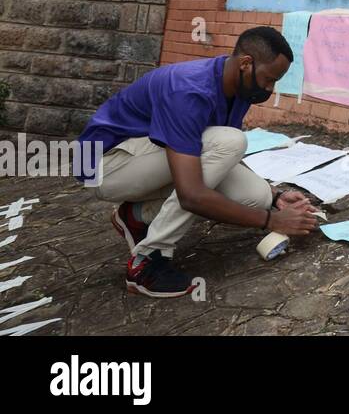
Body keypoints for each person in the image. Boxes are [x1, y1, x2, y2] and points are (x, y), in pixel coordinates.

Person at [76, 26, 320, 297]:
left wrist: (276, 198)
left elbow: (215, 159)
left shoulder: (238, 89)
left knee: (255, 196)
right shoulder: (188, 90)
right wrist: (272, 222)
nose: (269, 89)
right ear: (246, 63)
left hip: (146, 156)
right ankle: (146, 262)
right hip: (103, 165)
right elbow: (192, 195)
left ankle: (136, 216)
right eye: (269, 79)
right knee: (230, 143)